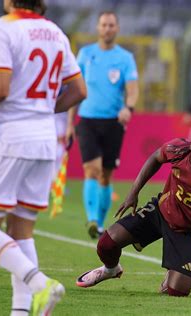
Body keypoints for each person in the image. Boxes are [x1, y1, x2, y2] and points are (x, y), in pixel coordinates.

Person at [0, 0, 87, 315]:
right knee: (21, 230)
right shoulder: (56, 33)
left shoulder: (1, 28)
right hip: (45, 140)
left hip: (10, 138)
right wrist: (41, 111)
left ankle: (40, 283)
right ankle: (21, 313)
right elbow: (79, 90)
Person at [75, 120, 191, 298]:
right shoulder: (178, 149)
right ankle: (110, 270)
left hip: (188, 231)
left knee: (176, 292)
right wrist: (134, 192)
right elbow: (155, 157)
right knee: (106, 244)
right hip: (160, 212)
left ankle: (171, 274)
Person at [67, 11, 139, 239]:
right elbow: (75, 91)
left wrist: (128, 107)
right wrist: (70, 122)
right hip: (87, 120)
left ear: (116, 28)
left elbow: (133, 88)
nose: (107, 29)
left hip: (113, 123)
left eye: (111, 25)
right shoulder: (86, 54)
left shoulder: (125, 58)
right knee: (92, 170)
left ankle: (98, 222)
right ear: (98, 28)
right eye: (103, 25)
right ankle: (92, 220)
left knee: (106, 176)